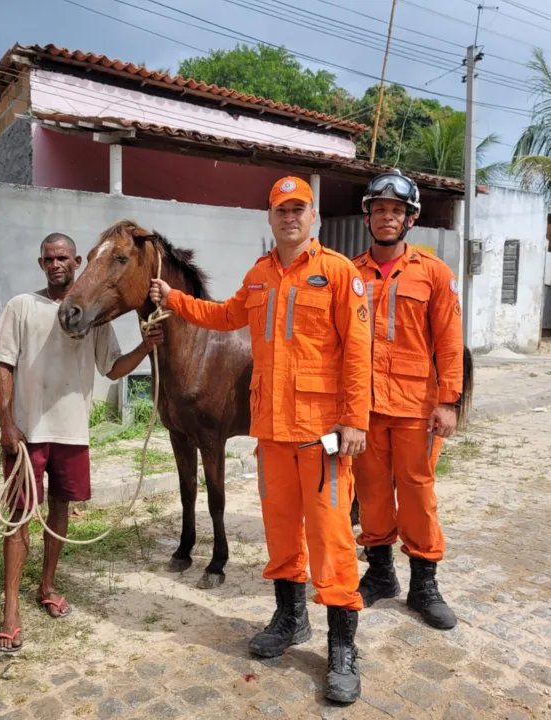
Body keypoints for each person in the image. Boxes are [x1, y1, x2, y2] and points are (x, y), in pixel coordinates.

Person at [149, 176, 372, 704]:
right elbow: (224, 317)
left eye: (298, 209)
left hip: (322, 438)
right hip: (271, 433)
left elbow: (359, 353)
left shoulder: (339, 274)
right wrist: (174, 299)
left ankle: (342, 647)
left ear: (311, 216)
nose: (289, 217)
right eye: (280, 210)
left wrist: (355, 420)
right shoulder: (259, 276)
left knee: (332, 539)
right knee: (281, 536)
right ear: (270, 218)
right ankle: (290, 619)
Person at [0, 232, 164, 653]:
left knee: (60, 511)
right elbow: (2, 367)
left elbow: (113, 369)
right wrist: (7, 424)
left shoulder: (94, 315)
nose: (56, 264)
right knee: (18, 518)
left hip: (72, 434)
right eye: (49, 258)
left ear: (78, 261)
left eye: (63, 257)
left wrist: (146, 346)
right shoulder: (22, 307)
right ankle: (11, 610)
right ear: (41, 262)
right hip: (28, 434)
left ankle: (46, 586)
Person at [350, 170, 464, 630]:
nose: (387, 217)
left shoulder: (434, 273)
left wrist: (449, 401)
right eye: (379, 210)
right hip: (367, 408)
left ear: (410, 219)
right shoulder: (351, 275)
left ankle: (424, 585)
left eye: (396, 210)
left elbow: (450, 342)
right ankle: (380, 576)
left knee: (417, 495)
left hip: (417, 406)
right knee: (372, 493)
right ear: (368, 217)